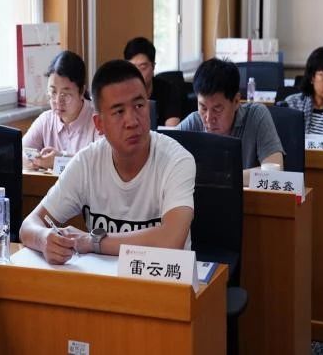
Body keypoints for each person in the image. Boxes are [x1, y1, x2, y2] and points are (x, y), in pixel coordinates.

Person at [19, 59, 196, 264]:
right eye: (119, 112)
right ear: (99, 124)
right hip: (103, 280)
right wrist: (44, 239)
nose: (132, 121)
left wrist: (93, 241)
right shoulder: (87, 162)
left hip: (162, 277)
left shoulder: (176, 160)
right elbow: (29, 226)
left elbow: (171, 240)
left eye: (139, 105)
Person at [178, 58, 284, 185]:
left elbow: (275, 172)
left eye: (217, 109)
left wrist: (219, 178)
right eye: (203, 107)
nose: (208, 118)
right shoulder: (193, 122)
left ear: (236, 101)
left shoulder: (256, 116)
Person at [22, 50, 101, 170]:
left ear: (81, 91)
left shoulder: (98, 121)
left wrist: (60, 160)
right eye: (53, 92)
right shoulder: (46, 120)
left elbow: (101, 163)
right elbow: (20, 151)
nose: (58, 101)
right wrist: (30, 160)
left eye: (66, 94)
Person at [123, 37, 182, 127]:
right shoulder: (120, 93)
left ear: (153, 66)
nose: (137, 73)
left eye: (143, 67)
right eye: (132, 68)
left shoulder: (168, 91)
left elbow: (171, 130)